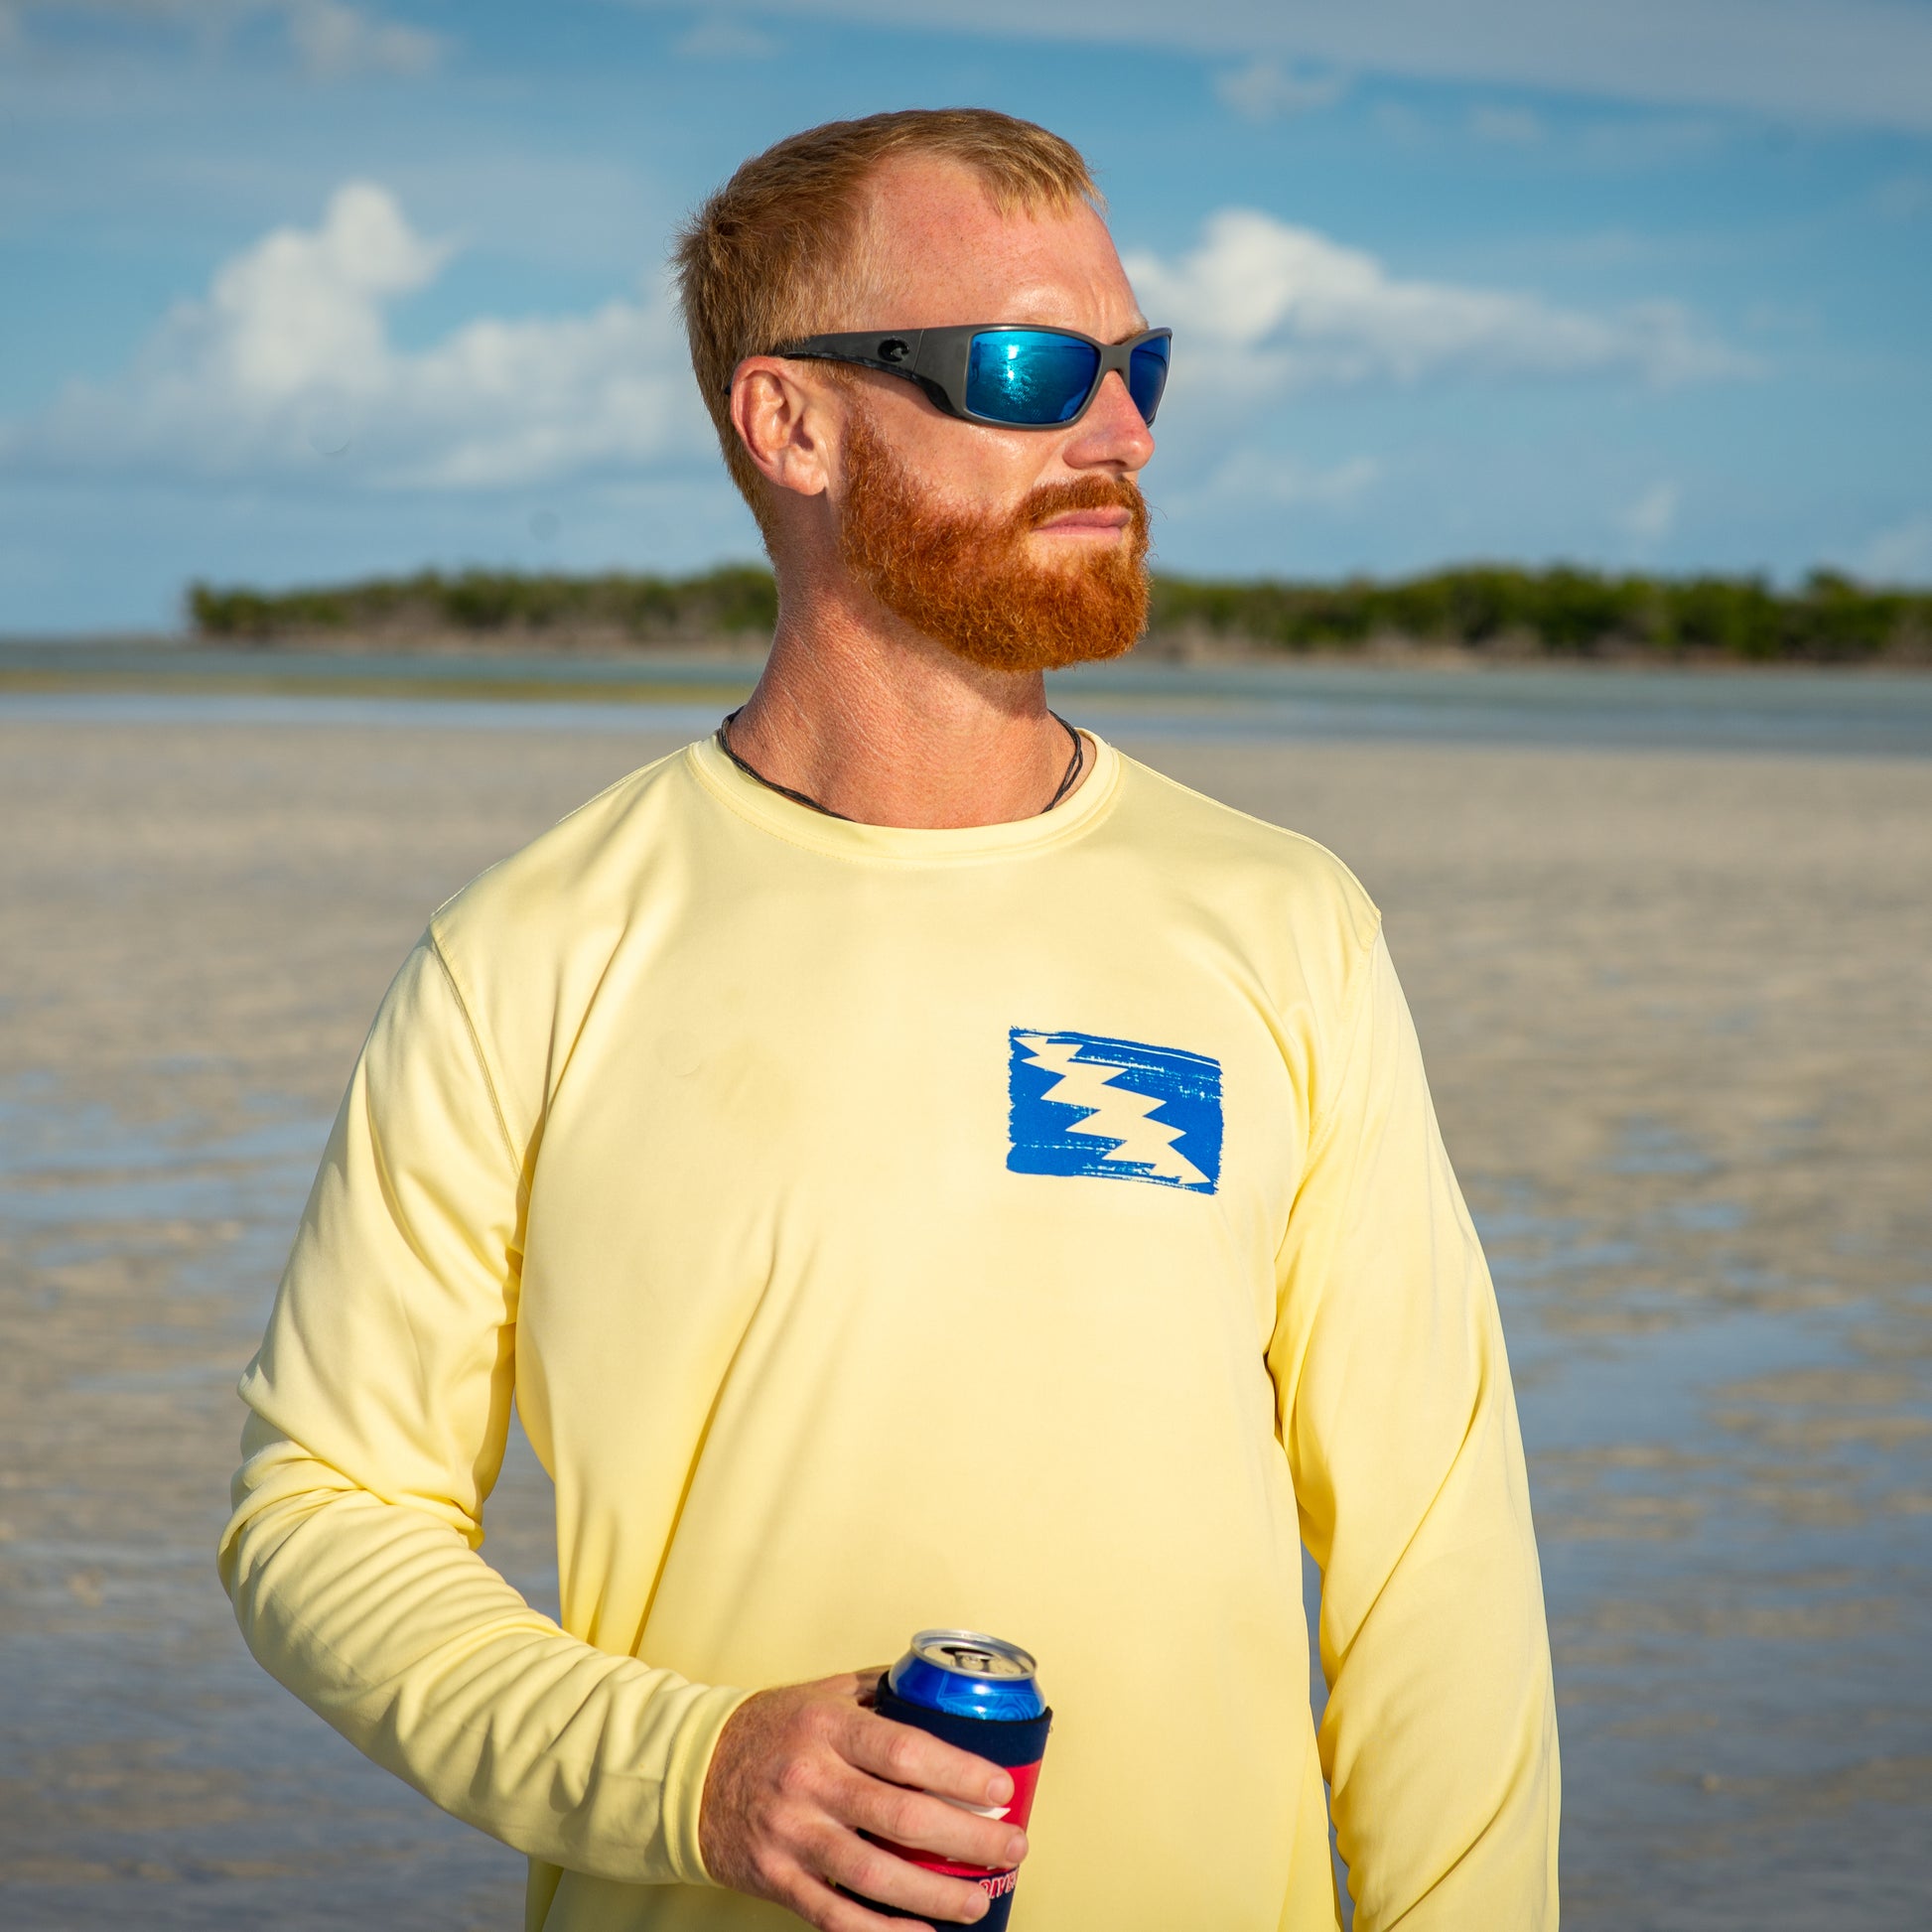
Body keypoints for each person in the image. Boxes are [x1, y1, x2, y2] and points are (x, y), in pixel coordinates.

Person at [218, 108, 1559, 1932]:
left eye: (1132, 360)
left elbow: (1433, 1557)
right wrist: (683, 1771)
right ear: (792, 424)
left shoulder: (1281, 921)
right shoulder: (530, 947)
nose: (1119, 430)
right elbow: (325, 1513)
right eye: (1025, 367)